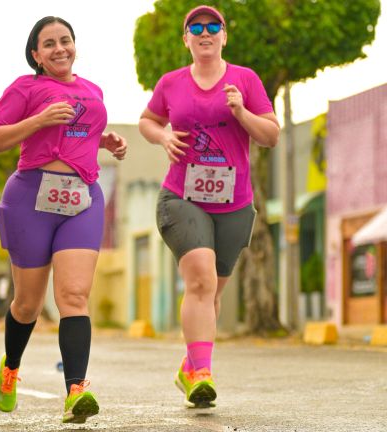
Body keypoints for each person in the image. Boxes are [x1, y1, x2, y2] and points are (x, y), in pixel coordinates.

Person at [0, 16, 127, 424]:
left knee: (74, 296)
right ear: (36, 55)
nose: (59, 48)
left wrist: (106, 140)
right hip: (31, 195)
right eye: (49, 44)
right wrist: (38, 120)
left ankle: (76, 391)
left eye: (66, 40)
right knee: (28, 303)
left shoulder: (91, 90)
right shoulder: (25, 88)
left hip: (82, 196)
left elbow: (80, 131)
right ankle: (10, 368)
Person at [138, 5, 279, 409]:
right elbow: (147, 120)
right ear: (186, 39)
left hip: (234, 202)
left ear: (223, 36)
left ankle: (190, 365)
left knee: (212, 294)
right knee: (199, 280)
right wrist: (161, 135)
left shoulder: (245, 80)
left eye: (212, 26)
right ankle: (202, 375)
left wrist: (241, 111)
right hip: (182, 196)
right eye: (195, 27)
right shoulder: (171, 83)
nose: (204, 32)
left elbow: (271, 136)